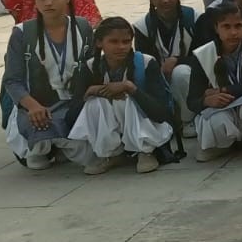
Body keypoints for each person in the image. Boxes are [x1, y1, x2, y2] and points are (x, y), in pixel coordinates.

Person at [1, 0, 95, 170]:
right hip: (38, 106)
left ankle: (60, 145)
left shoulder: (82, 27)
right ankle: (49, 147)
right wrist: (32, 106)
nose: (48, 3)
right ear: (35, 0)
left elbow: (93, 68)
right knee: (39, 151)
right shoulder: (22, 33)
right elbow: (12, 80)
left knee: (90, 150)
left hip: (75, 104)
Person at [68, 16, 175, 175]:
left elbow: (162, 113)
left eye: (126, 42)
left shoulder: (146, 63)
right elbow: (71, 117)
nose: (121, 47)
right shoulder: (90, 67)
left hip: (148, 125)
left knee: (124, 101)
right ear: (99, 43)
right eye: (114, 42)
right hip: (114, 127)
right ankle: (110, 153)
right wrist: (92, 92)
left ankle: (145, 151)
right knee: (94, 103)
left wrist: (130, 88)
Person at [184, 4, 242, 161]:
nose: (233, 32)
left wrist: (224, 90)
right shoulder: (203, 54)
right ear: (216, 28)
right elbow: (192, 100)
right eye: (226, 26)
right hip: (223, 108)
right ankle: (223, 145)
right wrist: (206, 101)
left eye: (238, 26)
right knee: (212, 118)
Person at [134, 0, 198, 139]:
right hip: (159, 77)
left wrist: (177, 60)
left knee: (181, 72)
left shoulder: (194, 18)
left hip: (192, 77)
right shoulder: (142, 26)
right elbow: (143, 62)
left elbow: (205, 56)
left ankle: (188, 120)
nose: (165, 1)